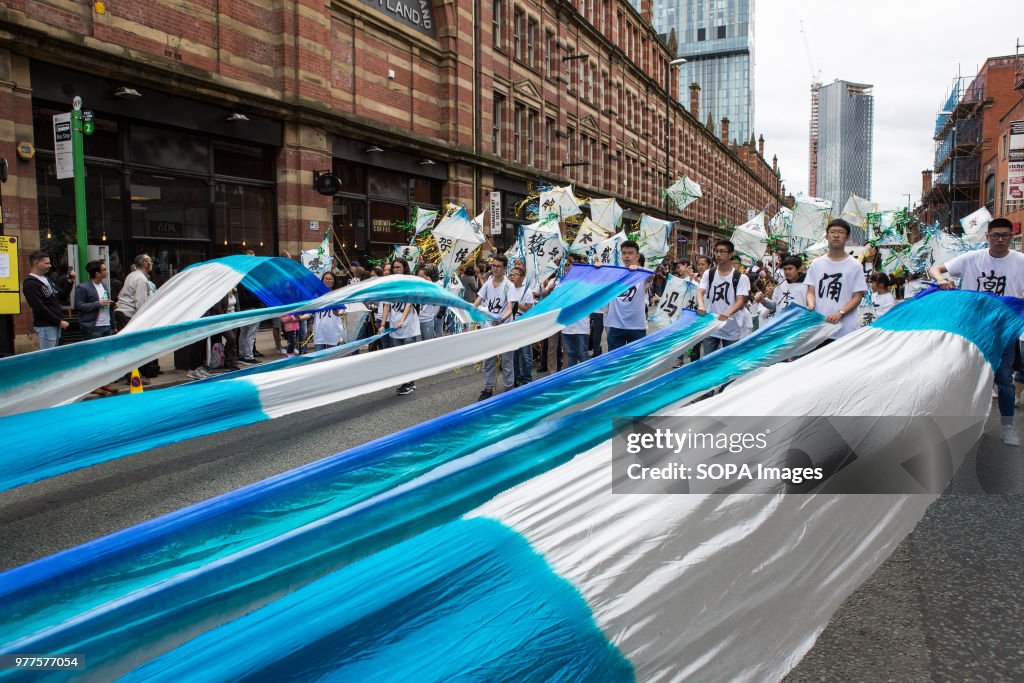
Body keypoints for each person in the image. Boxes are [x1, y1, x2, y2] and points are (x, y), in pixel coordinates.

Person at [929, 217, 1024, 446]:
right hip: (974, 330)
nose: (1000, 239)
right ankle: (968, 426)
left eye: (1005, 235)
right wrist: (941, 280)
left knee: (1004, 381)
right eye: (995, 235)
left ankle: (1008, 427)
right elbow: (935, 269)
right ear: (987, 236)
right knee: (970, 378)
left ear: (1011, 237)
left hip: (1005, 331)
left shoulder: (1020, 261)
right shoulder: (972, 259)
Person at [805, 218, 867, 343]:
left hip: (844, 330)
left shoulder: (855, 266)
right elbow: (811, 290)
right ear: (827, 236)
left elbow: (857, 296)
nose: (836, 235)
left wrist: (841, 312)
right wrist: (810, 304)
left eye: (841, 232)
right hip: (819, 328)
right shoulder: (816, 264)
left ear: (848, 237)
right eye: (832, 232)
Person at [696, 239, 751, 354]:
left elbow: (740, 301)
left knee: (729, 362)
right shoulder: (709, 273)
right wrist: (701, 306)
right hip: (712, 326)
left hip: (731, 327)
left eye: (722, 251)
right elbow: (700, 292)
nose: (718, 254)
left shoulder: (741, 278)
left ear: (730, 254)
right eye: (716, 251)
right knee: (707, 361)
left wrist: (727, 314)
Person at [473, 254, 515, 400]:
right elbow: (478, 301)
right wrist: (469, 311)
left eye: (498, 266)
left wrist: (501, 319)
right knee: (488, 359)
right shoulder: (488, 282)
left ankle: (509, 388)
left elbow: (510, 309)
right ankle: (488, 387)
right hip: (489, 328)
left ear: (504, 268)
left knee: (507, 360)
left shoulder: (509, 285)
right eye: (493, 265)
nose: (495, 268)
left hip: (505, 329)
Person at [380, 258, 421, 395]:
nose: (396, 269)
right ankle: (409, 382)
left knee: (407, 355)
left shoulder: (409, 283)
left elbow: (409, 304)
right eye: (394, 267)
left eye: (399, 267)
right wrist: (382, 324)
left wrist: (402, 320)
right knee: (399, 355)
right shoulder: (391, 285)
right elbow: (386, 305)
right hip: (394, 325)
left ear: (404, 268)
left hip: (408, 324)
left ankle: (408, 383)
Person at [604, 240, 650, 351]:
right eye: (624, 253)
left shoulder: (642, 273)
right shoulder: (615, 272)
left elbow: (652, 276)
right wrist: (598, 266)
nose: (627, 256)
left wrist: (639, 269)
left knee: (634, 363)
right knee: (615, 362)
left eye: (630, 253)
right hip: (615, 325)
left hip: (637, 326)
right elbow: (598, 276)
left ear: (637, 256)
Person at [23, 251, 69, 350]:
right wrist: (58, 321)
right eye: (46, 263)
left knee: (54, 356)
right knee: (48, 357)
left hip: (54, 324)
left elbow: (62, 297)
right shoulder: (30, 283)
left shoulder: (47, 279)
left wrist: (69, 282)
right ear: (36, 263)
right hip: (46, 326)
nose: (50, 265)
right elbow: (39, 307)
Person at [507, 264, 536, 385]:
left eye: (515, 275)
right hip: (511, 326)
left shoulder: (527, 291)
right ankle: (516, 378)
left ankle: (527, 379)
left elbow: (529, 309)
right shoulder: (508, 289)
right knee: (514, 355)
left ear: (522, 277)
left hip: (524, 326)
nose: (512, 277)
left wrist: (515, 303)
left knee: (525, 355)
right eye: (511, 274)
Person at [759, 255, 807, 324]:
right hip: (781, 325)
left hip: (797, 326)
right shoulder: (780, 285)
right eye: (785, 269)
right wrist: (763, 301)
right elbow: (775, 306)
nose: (787, 272)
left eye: (790, 269)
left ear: (798, 269)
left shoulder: (806, 285)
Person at [74, 260, 113, 340]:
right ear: (97, 274)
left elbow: (106, 304)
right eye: (104, 270)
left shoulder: (104, 286)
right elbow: (78, 305)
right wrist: (98, 304)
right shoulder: (83, 287)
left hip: (107, 325)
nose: (107, 271)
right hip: (93, 327)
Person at [312, 271, 346, 351]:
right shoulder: (316, 297)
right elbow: (311, 314)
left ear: (334, 282)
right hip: (319, 334)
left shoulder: (338, 295)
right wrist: (297, 315)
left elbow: (341, 311)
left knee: (332, 361)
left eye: (330, 279)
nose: (327, 281)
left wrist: (337, 312)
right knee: (319, 361)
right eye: (325, 279)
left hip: (333, 333)